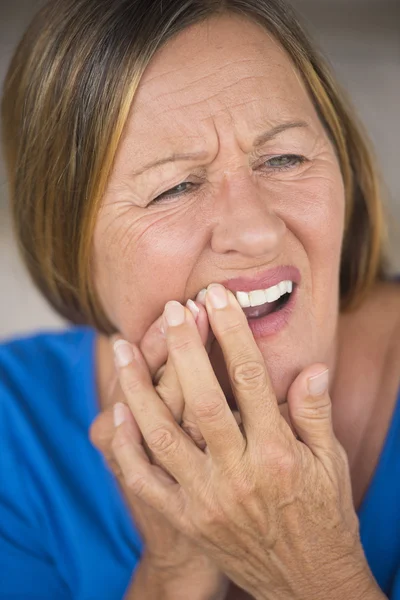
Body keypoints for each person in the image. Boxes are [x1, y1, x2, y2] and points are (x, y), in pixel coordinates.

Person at [0, 0, 399, 598]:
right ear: (68, 241)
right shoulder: (14, 429)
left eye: (284, 157)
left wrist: (315, 571)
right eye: (175, 187)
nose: (258, 231)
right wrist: (178, 562)